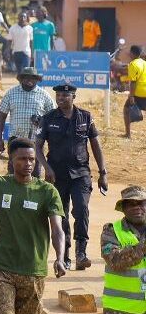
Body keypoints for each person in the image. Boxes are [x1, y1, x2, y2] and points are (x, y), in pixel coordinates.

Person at [0, 137, 66, 314]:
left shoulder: (47, 191)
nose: (28, 164)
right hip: (1, 268)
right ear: (11, 161)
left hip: (33, 272)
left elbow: (57, 230)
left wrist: (60, 258)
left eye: (31, 159)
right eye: (22, 159)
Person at [36, 83, 108, 271]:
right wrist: (47, 168)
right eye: (58, 95)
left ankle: (81, 253)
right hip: (56, 175)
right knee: (62, 215)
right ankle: (65, 255)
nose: (61, 98)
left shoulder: (85, 116)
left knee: (82, 209)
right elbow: (37, 147)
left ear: (73, 97)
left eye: (65, 96)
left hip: (81, 173)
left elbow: (95, 145)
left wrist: (103, 173)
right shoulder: (48, 118)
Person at [100, 185, 146, 314]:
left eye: (141, 203)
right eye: (131, 204)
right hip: (120, 313)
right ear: (123, 209)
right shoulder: (111, 231)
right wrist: (143, 247)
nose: (137, 207)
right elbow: (115, 261)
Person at [0, 67, 56, 155]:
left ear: (37, 79)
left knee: (35, 168)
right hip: (15, 139)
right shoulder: (11, 93)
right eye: (26, 77)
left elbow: (54, 117)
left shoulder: (44, 95)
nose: (29, 80)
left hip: (36, 140)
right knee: (14, 168)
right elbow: (1, 116)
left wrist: (42, 121)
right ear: (21, 79)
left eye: (33, 77)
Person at [125, 45, 146, 139]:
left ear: (132, 53)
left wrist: (132, 96)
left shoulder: (133, 64)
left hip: (139, 93)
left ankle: (128, 134)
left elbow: (133, 82)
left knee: (126, 109)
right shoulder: (144, 63)